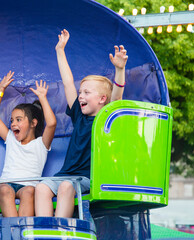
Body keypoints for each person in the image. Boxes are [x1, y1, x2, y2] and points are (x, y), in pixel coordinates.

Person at [35, 29, 128, 218]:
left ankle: (61, 231)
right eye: (81, 92)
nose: (80, 95)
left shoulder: (106, 119)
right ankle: (45, 231)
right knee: (42, 187)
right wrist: (60, 50)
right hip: (66, 173)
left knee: (67, 187)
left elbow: (117, 98)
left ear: (102, 99)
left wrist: (120, 70)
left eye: (86, 92)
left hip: (87, 178)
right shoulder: (79, 115)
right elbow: (68, 83)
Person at [0, 71, 57, 217]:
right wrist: (1, 90)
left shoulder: (41, 144)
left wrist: (43, 98)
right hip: (6, 185)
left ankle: (23, 230)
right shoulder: (11, 138)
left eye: (19, 120)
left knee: (30, 191)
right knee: (6, 190)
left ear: (33, 123)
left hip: (27, 187)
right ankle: (14, 230)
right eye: (12, 120)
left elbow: (51, 123)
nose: (13, 124)